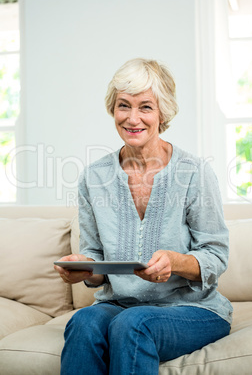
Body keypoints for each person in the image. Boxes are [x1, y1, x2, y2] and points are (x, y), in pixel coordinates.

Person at [54, 58, 233, 375]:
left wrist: (174, 262)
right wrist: (84, 268)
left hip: (193, 308)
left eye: (145, 107)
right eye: (124, 106)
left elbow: (216, 256)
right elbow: (97, 262)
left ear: (163, 112)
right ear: (113, 109)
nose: (132, 118)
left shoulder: (194, 172)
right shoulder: (94, 178)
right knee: (83, 321)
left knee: (133, 324)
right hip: (120, 304)